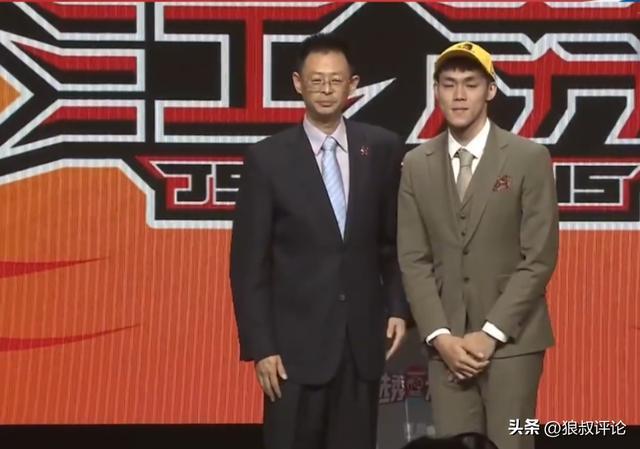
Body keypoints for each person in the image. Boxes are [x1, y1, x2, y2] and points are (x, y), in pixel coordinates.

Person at [230, 33, 409, 449]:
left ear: (353, 85)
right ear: (298, 83)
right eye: (316, 80)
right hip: (291, 352)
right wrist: (261, 347)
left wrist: (398, 307)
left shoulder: (381, 148)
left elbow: (392, 241)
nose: (326, 90)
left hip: (361, 345)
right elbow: (249, 266)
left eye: (336, 80)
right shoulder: (266, 159)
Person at [397, 41, 559, 449]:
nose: (459, 94)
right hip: (446, 348)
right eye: (448, 84)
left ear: (490, 90)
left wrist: (490, 333)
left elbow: (538, 258)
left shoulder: (528, 158)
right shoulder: (416, 165)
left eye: (470, 84)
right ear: (436, 91)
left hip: (513, 344)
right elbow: (414, 260)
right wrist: (440, 336)